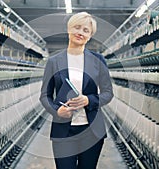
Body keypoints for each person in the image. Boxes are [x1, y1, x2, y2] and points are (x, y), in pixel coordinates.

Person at [39, 11, 113, 169]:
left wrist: (88, 100)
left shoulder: (98, 60)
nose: (80, 33)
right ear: (69, 29)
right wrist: (56, 111)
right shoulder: (54, 61)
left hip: (91, 131)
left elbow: (108, 93)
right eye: (77, 28)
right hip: (63, 130)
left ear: (90, 35)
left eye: (86, 30)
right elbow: (45, 95)